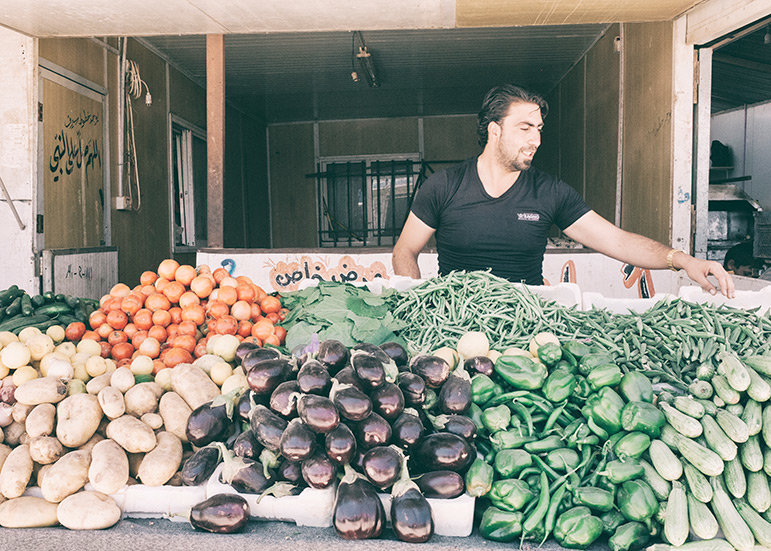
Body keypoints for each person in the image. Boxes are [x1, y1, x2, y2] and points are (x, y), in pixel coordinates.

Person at [392, 84, 735, 298]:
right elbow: (405, 251)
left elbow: (616, 241)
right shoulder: (444, 186)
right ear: (494, 131)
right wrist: (421, 299)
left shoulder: (549, 192)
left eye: (539, 128)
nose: (536, 140)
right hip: (456, 320)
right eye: (525, 127)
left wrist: (682, 260)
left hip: (525, 323)